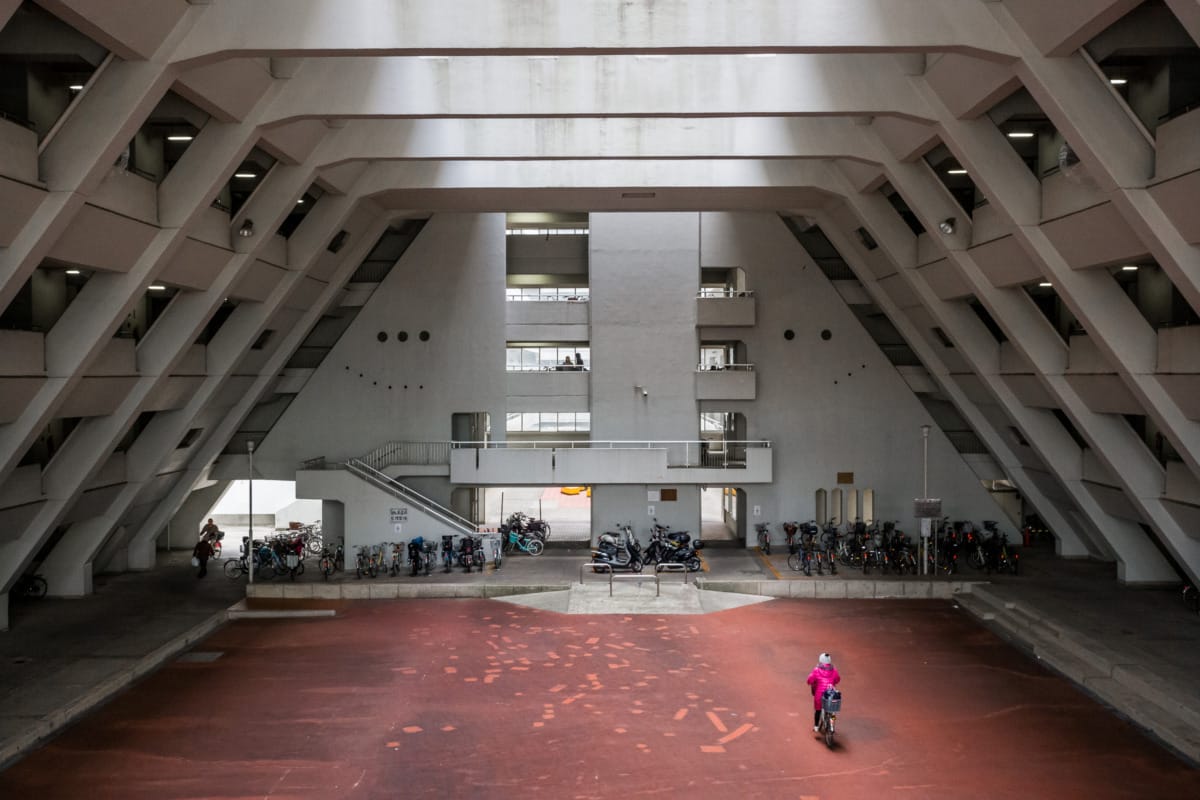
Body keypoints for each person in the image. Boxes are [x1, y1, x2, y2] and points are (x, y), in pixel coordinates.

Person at [806, 652, 841, 732]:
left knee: (818, 710)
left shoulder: (816, 670)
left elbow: (809, 680)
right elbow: (837, 679)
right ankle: (832, 725)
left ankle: (816, 727)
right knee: (832, 711)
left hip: (819, 694)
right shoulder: (834, 670)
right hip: (831, 693)